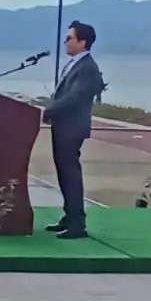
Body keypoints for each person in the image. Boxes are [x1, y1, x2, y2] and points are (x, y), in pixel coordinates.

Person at [42, 21, 104, 239]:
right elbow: (62, 93)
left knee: (70, 174)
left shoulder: (87, 67)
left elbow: (75, 97)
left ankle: (78, 223)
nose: (65, 42)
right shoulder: (73, 64)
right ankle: (69, 216)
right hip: (62, 126)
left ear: (82, 42)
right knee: (63, 173)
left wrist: (48, 110)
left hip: (71, 128)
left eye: (69, 38)